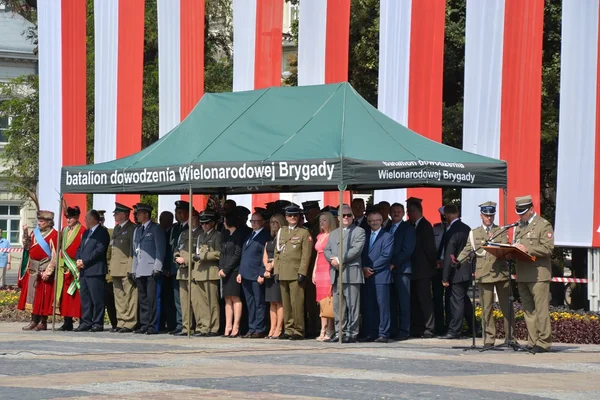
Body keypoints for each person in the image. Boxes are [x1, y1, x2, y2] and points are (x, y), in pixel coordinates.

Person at [457, 201, 512, 348]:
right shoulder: (474, 233)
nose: (489, 218)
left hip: (500, 272)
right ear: (481, 216)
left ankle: (509, 337)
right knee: (486, 308)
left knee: (506, 307)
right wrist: (458, 261)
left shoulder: (501, 231)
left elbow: (505, 248)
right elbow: (468, 249)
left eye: (492, 215)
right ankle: (489, 338)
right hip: (484, 274)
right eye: (486, 215)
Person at [513, 195, 554, 353]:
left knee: (541, 309)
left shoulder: (543, 225)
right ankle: (532, 340)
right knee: (528, 310)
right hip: (522, 272)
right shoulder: (520, 226)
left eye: (523, 212)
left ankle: (544, 342)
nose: (520, 215)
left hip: (538, 273)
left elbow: (548, 248)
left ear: (531, 209)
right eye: (519, 213)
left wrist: (527, 249)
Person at [324, 204, 366, 343]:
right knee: (338, 305)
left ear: (353, 217)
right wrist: (331, 259)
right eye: (343, 215)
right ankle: (339, 332)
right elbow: (327, 249)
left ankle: (352, 333)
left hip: (351, 272)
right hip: (336, 273)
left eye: (349, 215)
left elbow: (356, 250)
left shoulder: (359, 231)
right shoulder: (334, 233)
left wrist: (339, 259)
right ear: (338, 218)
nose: (346, 218)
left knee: (353, 305)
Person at [274, 205, 312, 340]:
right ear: (286, 217)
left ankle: (299, 330)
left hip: (296, 272)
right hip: (283, 271)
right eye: (290, 216)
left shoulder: (303, 233)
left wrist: (302, 272)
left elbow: (306, 255)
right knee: (286, 303)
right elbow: (277, 253)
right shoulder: (281, 231)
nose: (292, 218)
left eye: (295, 215)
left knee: (297, 303)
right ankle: (288, 329)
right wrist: (276, 270)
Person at [18, 210, 58, 331]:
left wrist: (49, 271)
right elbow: (26, 246)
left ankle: (43, 321)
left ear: (48, 222)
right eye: (38, 221)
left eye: (41, 221)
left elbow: (55, 255)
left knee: (44, 296)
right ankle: (33, 320)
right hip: (33, 268)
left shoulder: (54, 235)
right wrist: (25, 233)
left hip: (44, 268)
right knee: (33, 296)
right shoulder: (34, 233)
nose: (39, 223)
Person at [132, 203, 166, 335]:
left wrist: (158, 267)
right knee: (143, 300)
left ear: (146, 214)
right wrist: (134, 269)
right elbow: (135, 251)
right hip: (141, 270)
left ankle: (153, 325)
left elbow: (160, 249)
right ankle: (145, 324)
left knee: (153, 300)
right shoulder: (137, 230)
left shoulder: (156, 229)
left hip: (152, 269)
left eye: (139, 213)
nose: (137, 215)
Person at [440, 204, 473, 339]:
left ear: (446, 215)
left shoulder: (452, 231)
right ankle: (475, 327)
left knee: (457, 302)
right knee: (464, 300)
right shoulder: (467, 228)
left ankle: (454, 331)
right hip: (466, 270)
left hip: (457, 271)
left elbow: (449, 254)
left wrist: (445, 277)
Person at [360, 211, 394, 342]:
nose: (374, 222)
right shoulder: (365, 235)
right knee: (369, 306)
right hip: (367, 276)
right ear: (368, 222)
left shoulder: (387, 236)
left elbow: (386, 256)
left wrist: (371, 269)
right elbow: (361, 254)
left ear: (381, 221)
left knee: (383, 306)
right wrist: (363, 268)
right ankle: (371, 333)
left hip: (381, 276)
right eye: (371, 221)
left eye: (377, 220)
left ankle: (383, 333)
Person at [74, 210, 111, 332]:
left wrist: (85, 261)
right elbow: (80, 248)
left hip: (95, 270)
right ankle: (86, 322)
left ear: (93, 219)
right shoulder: (86, 233)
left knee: (97, 298)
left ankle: (97, 323)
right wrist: (78, 260)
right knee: (85, 298)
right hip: (84, 271)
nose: (85, 221)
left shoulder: (102, 232)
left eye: (86, 218)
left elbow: (99, 250)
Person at [405, 198, 436, 338]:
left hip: (423, 270)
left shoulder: (425, 226)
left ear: (415, 211)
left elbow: (430, 249)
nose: (408, 214)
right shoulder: (410, 225)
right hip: (413, 269)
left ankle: (430, 327)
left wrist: (432, 265)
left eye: (409, 211)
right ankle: (417, 327)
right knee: (415, 300)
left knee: (424, 300)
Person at [237, 211, 271, 338]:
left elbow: (265, 256)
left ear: (262, 222)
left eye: (257, 221)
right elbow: (244, 255)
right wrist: (240, 272)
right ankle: (252, 327)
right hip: (246, 274)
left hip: (256, 274)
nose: (254, 223)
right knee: (250, 303)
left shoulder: (265, 236)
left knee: (259, 302)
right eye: (252, 221)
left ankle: (259, 328)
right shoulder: (250, 235)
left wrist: (262, 273)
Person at [388, 203, 416, 341]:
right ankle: (393, 329)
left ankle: (404, 331)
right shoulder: (386, 227)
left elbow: (407, 250)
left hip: (402, 270)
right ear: (389, 213)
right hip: (388, 271)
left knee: (404, 302)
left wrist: (393, 263)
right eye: (393, 211)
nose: (396, 213)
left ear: (404, 213)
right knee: (391, 302)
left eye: (399, 211)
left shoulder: (408, 228)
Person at [192, 210, 222, 336]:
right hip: (199, 272)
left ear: (213, 223)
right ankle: (204, 326)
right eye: (202, 223)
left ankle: (214, 327)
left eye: (207, 223)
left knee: (212, 302)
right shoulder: (200, 236)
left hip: (211, 271)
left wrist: (203, 256)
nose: (204, 225)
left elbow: (219, 253)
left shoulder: (217, 235)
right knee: (200, 303)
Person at [108, 202, 137, 333]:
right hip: (115, 268)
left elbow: (133, 250)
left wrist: (131, 267)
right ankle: (121, 321)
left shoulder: (132, 229)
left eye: (117, 213)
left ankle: (130, 322)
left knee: (130, 296)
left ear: (125, 214)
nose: (115, 215)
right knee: (118, 296)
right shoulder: (117, 229)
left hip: (126, 267)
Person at [57, 206, 86, 331]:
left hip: (76, 266)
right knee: (65, 296)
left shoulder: (82, 231)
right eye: (67, 218)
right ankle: (67, 321)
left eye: (71, 218)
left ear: (77, 218)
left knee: (78, 296)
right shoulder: (63, 231)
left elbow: (83, 249)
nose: (69, 220)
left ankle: (82, 321)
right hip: (65, 267)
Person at [173, 208, 202, 336]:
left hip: (194, 270)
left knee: (196, 302)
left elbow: (199, 253)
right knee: (184, 302)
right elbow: (177, 248)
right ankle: (186, 327)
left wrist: (186, 259)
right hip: (182, 271)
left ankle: (200, 327)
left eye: (194, 217)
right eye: (190, 218)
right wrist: (176, 257)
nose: (192, 220)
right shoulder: (184, 234)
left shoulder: (201, 234)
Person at [219, 212, 245, 337]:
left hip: (234, 270)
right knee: (227, 298)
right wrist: (221, 268)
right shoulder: (226, 235)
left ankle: (236, 325)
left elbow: (237, 255)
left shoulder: (239, 235)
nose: (223, 223)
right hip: (224, 271)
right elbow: (222, 253)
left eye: (225, 220)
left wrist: (227, 269)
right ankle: (228, 325)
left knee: (235, 297)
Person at [312, 211, 336, 341]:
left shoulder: (333, 235)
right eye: (320, 220)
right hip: (319, 268)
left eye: (324, 220)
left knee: (329, 300)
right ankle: (323, 328)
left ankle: (330, 329)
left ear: (330, 221)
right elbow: (318, 254)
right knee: (321, 301)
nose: (322, 223)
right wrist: (314, 270)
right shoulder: (319, 236)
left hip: (328, 268)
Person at [263, 213, 286, 339]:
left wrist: (272, 265)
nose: (272, 224)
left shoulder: (282, 237)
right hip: (269, 271)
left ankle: (279, 328)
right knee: (271, 302)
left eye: (275, 222)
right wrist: (266, 265)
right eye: (271, 222)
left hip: (278, 269)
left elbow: (280, 255)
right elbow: (265, 252)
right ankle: (272, 328)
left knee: (279, 301)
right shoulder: (271, 238)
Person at [432, 206, 449, 335]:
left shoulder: (455, 229)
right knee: (437, 298)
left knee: (450, 299)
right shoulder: (436, 228)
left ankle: (450, 326)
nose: (443, 218)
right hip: (437, 268)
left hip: (450, 268)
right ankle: (439, 327)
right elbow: (432, 247)